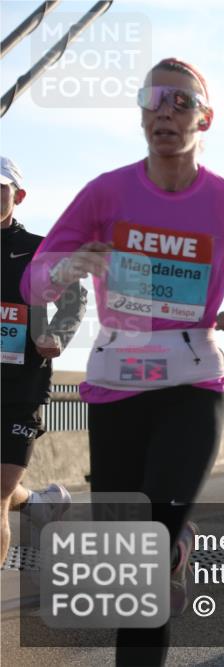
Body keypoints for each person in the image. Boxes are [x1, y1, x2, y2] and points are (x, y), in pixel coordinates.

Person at [22, 58, 224, 665]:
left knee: (149, 542)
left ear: (205, 118)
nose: (164, 112)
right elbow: (33, 281)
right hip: (116, 383)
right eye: (153, 100)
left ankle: (170, 546)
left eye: (179, 101)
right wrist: (69, 267)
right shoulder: (105, 192)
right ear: (141, 112)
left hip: (193, 379)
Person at [2, 156, 86, 566]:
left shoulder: (39, 250)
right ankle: (37, 503)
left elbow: (75, 299)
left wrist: (58, 334)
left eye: (0, 189)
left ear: (18, 196)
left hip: (21, 386)